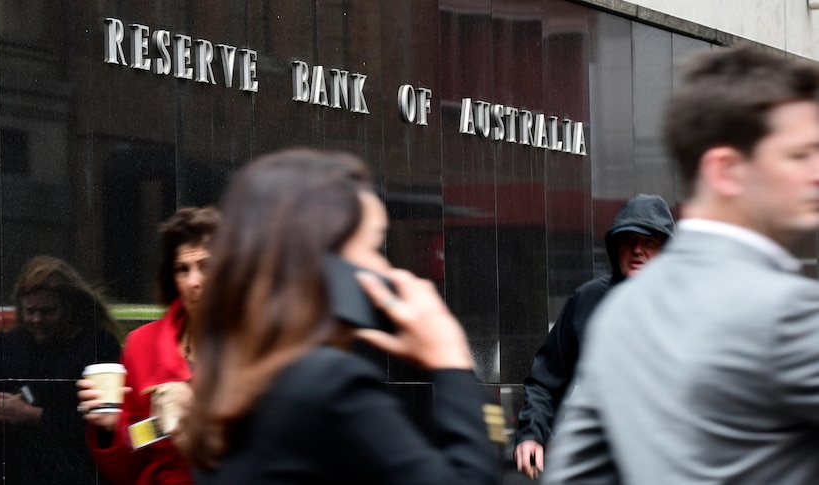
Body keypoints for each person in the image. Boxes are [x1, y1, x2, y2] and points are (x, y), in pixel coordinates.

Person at [543, 47, 819, 484]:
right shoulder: (792, 313)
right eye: (798, 155)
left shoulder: (620, 314)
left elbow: (575, 474)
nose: (816, 172)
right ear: (726, 170)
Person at [175, 148, 500, 484]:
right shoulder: (330, 383)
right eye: (374, 248)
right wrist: (451, 362)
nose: (386, 268)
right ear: (327, 263)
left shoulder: (233, 380)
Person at [514, 194, 674, 480]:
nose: (638, 250)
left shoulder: (689, 305)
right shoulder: (587, 300)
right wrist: (531, 434)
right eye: (629, 241)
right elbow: (545, 380)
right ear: (615, 247)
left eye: (649, 242)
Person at [78, 206, 219, 485]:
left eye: (206, 266)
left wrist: (192, 418)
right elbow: (132, 458)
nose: (194, 282)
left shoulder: (262, 342)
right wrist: (112, 428)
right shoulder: (142, 344)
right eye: (182, 269)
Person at [0, 255, 121, 485]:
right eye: (29, 310)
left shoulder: (98, 348)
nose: (36, 319)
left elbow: (107, 427)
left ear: (69, 306)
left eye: (47, 311)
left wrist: (32, 416)